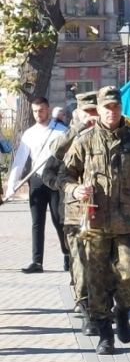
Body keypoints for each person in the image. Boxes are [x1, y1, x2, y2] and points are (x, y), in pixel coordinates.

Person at [61, 86, 130, 355]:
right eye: (107, 108)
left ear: (120, 109)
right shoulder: (84, 140)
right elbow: (64, 176)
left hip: (128, 221)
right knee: (97, 281)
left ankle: (124, 310)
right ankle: (105, 333)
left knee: (129, 275)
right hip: (94, 222)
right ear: (99, 109)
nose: (112, 112)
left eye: (116, 107)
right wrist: (75, 189)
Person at [42, 92, 99, 335]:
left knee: (104, 263)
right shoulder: (67, 140)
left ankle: (104, 305)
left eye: (95, 112)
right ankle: (85, 306)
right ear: (76, 115)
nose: (92, 117)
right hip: (75, 212)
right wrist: (70, 190)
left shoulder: (111, 135)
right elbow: (48, 174)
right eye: (87, 112)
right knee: (80, 260)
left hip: (106, 212)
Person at [6, 97, 69, 273]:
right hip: (37, 181)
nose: (38, 114)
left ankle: (67, 255)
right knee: (37, 222)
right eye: (35, 111)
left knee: (59, 220)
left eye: (41, 111)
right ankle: (37, 262)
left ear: (48, 110)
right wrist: (12, 185)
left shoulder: (61, 131)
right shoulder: (29, 134)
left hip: (56, 181)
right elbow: (20, 160)